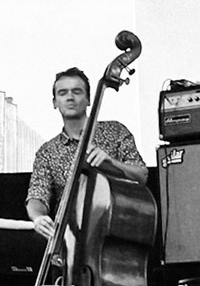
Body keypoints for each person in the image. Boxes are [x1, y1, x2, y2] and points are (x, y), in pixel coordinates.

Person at [25, 67, 148, 240]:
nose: (70, 97)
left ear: (89, 99)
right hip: (70, 241)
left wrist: (111, 164)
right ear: (55, 102)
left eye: (77, 91)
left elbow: (141, 175)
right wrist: (38, 217)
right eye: (62, 93)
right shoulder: (47, 151)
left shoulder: (116, 131)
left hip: (116, 232)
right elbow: (37, 195)